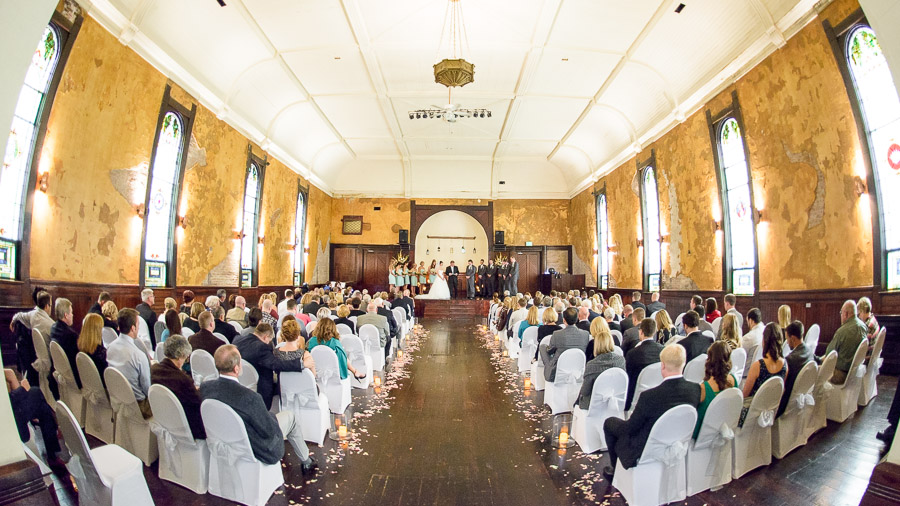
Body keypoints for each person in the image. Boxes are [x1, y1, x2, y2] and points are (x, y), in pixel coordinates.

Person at [200, 345, 317, 473]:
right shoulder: (250, 397)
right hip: (254, 447)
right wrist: (270, 416)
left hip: (223, 439)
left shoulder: (205, 387)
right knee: (291, 418)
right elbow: (268, 431)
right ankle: (307, 462)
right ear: (236, 368)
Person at [602, 343, 700, 479]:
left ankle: (615, 469)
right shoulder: (696, 390)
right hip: (677, 440)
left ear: (663, 365)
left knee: (610, 423)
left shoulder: (649, 396)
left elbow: (630, 428)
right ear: (684, 363)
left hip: (646, 447)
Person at [235, 323, 304, 410]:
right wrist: (300, 364)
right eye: (270, 340)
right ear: (265, 337)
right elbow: (275, 364)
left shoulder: (238, 340)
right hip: (260, 387)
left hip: (240, 382)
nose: (269, 343)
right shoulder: (261, 347)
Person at [150, 335, 205, 440]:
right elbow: (198, 403)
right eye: (186, 357)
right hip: (185, 423)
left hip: (165, 417)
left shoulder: (154, 370)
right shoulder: (182, 379)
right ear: (181, 356)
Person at [5, 368, 63, 466]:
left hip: (10, 410)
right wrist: (22, 390)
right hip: (6, 421)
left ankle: (53, 450)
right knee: (36, 394)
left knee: (37, 397)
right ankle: (53, 452)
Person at [107, 308, 153, 418]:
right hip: (139, 406)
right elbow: (147, 388)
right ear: (133, 328)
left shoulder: (110, 348)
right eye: (138, 325)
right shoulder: (138, 355)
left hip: (117, 398)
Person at [739, 323, 787, 426]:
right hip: (771, 412)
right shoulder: (785, 365)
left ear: (764, 341)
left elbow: (744, 395)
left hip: (751, 415)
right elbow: (781, 391)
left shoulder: (758, 366)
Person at [577, 318, 626, 412]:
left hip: (593, 402)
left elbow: (585, 391)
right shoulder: (621, 360)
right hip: (615, 395)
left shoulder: (592, 364)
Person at [694, 341, 738, 438]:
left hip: (703, 437)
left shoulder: (703, 388)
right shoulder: (733, 381)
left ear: (710, 360)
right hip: (725, 430)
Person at [819, 300, 867, 385]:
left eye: (841, 313)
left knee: (814, 373)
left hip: (840, 374)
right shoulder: (863, 326)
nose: (841, 315)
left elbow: (829, 354)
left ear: (846, 314)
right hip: (854, 373)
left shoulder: (842, 331)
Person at [539, 308, 590, 382]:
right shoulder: (585, 334)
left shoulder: (557, 334)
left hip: (557, 371)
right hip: (578, 369)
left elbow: (550, 351)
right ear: (577, 318)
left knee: (543, 347)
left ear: (564, 320)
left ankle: (549, 368)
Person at [624, 317, 663, 410]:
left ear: (641, 332)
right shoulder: (663, 350)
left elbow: (628, 379)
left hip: (637, 399)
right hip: (658, 396)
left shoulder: (632, 354)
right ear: (654, 332)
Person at [777, 320, 813, 417]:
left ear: (792, 338)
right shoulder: (809, 351)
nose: (787, 342)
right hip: (800, 395)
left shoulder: (790, 360)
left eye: (787, 338)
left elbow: (783, 386)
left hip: (787, 401)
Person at [50, 298, 81, 387]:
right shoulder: (71, 335)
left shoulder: (53, 328)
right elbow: (77, 361)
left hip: (59, 372)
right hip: (72, 378)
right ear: (66, 315)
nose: (72, 315)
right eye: (71, 312)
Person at [78, 313, 109, 386]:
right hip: (103, 389)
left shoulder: (80, 348)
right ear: (98, 330)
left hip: (89, 386)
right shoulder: (101, 353)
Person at [741, 308, 764, 376]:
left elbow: (741, 356)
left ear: (750, 320)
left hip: (746, 373)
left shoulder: (748, 338)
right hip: (760, 370)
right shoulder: (765, 330)